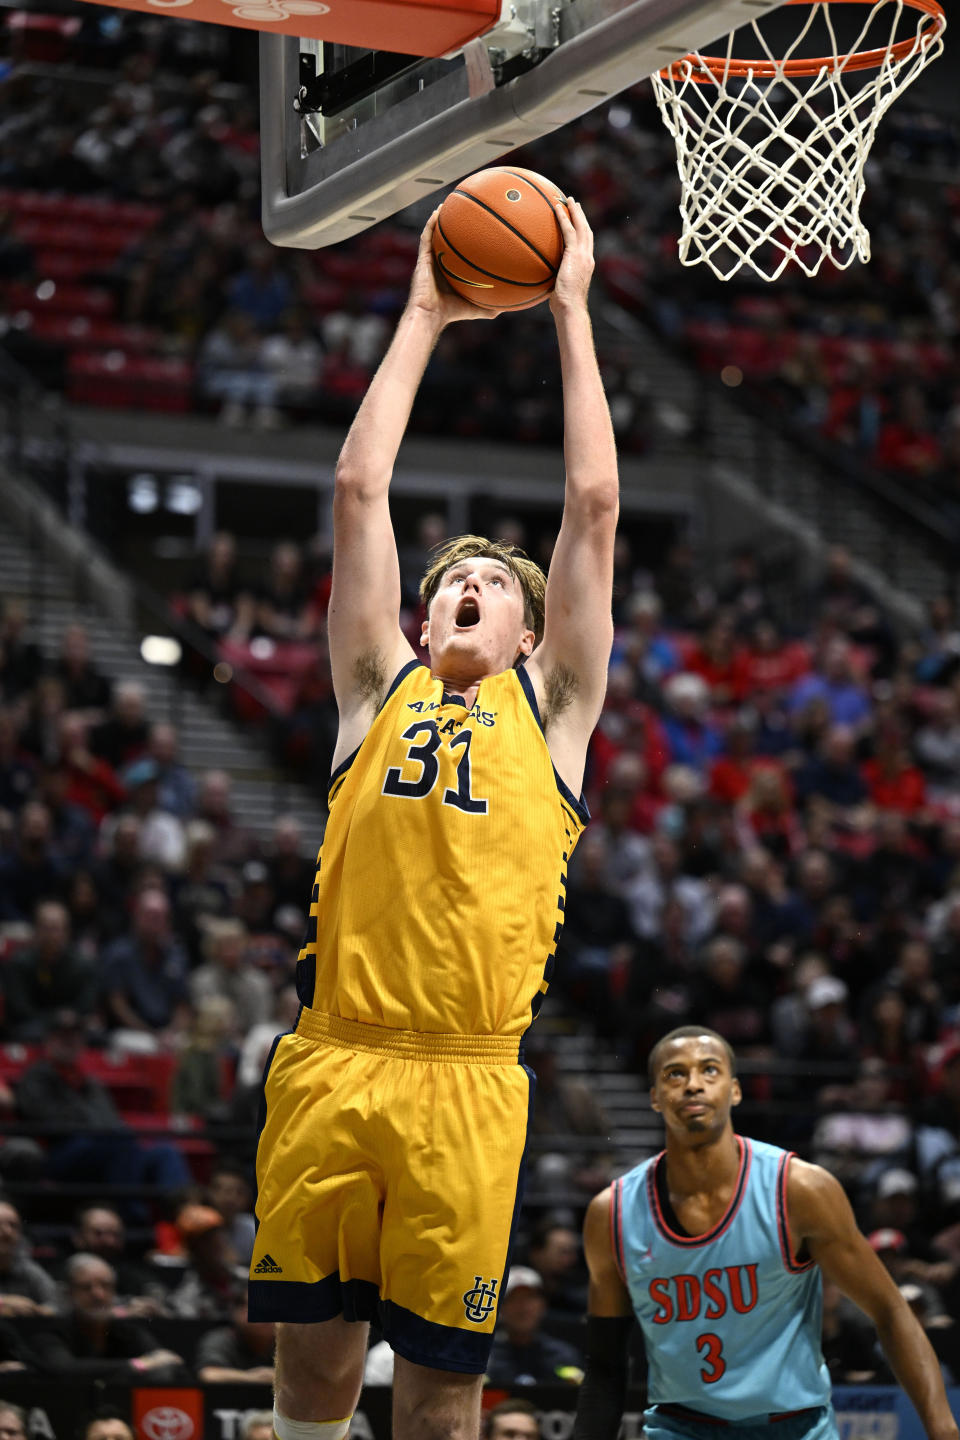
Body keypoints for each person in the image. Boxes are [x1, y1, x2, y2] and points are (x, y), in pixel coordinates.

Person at [250, 195, 618, 1440]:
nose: (467, 586)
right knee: (309, 1380)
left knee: (443, 1395)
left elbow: (594, 510)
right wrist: (422, 310)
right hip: (337, 1053)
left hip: (468, 1081)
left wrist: (569, 311)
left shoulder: (557, 713)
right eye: (449, 579)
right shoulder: (375, 691)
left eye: (494, 586)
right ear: (420, 620)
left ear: (529, 635)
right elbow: (360, 486)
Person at [573, 1026, 960, 1440]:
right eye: (675, 1074)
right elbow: (605, 1365)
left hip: (795, 1427)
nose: (693, 1085)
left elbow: (890, 1310)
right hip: (680, 1428)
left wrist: (944, 1430)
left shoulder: (799, 1191)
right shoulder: (612, 1214)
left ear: (735, 1090)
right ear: (654, 1097)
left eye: (709, 1070)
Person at [32, 1253, 184, 1381]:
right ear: (69, 1294)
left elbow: (166, 1361)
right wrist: (137, 1365)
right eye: (86, 1287)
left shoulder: (128, 1332)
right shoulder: (51, 1334)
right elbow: (63, 1370)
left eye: (106, 1286)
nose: (99, 1295)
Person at [485, 1266, 583, 1387]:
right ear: (500, 1307)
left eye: (530, 1298)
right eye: (514, 1299)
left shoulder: (563, 1356)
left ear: (543, 1305)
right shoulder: (486, 1358)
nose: (523, 1308)